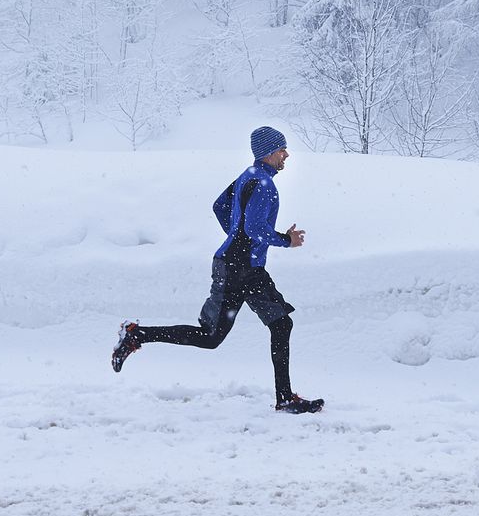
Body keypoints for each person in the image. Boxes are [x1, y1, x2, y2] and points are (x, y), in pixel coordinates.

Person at [110, 126, 323, 414]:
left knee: (280, 324)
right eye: (282, 149)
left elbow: (219, 206)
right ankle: (137, 335)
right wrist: (286, 240)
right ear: (268, 153)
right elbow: (254, 228)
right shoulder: (263, 184)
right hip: (239, 269)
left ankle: (284, 398)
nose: (286, 155)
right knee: (212, 337)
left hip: (244, 267)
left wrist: (234, 237)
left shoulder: (247, 176)